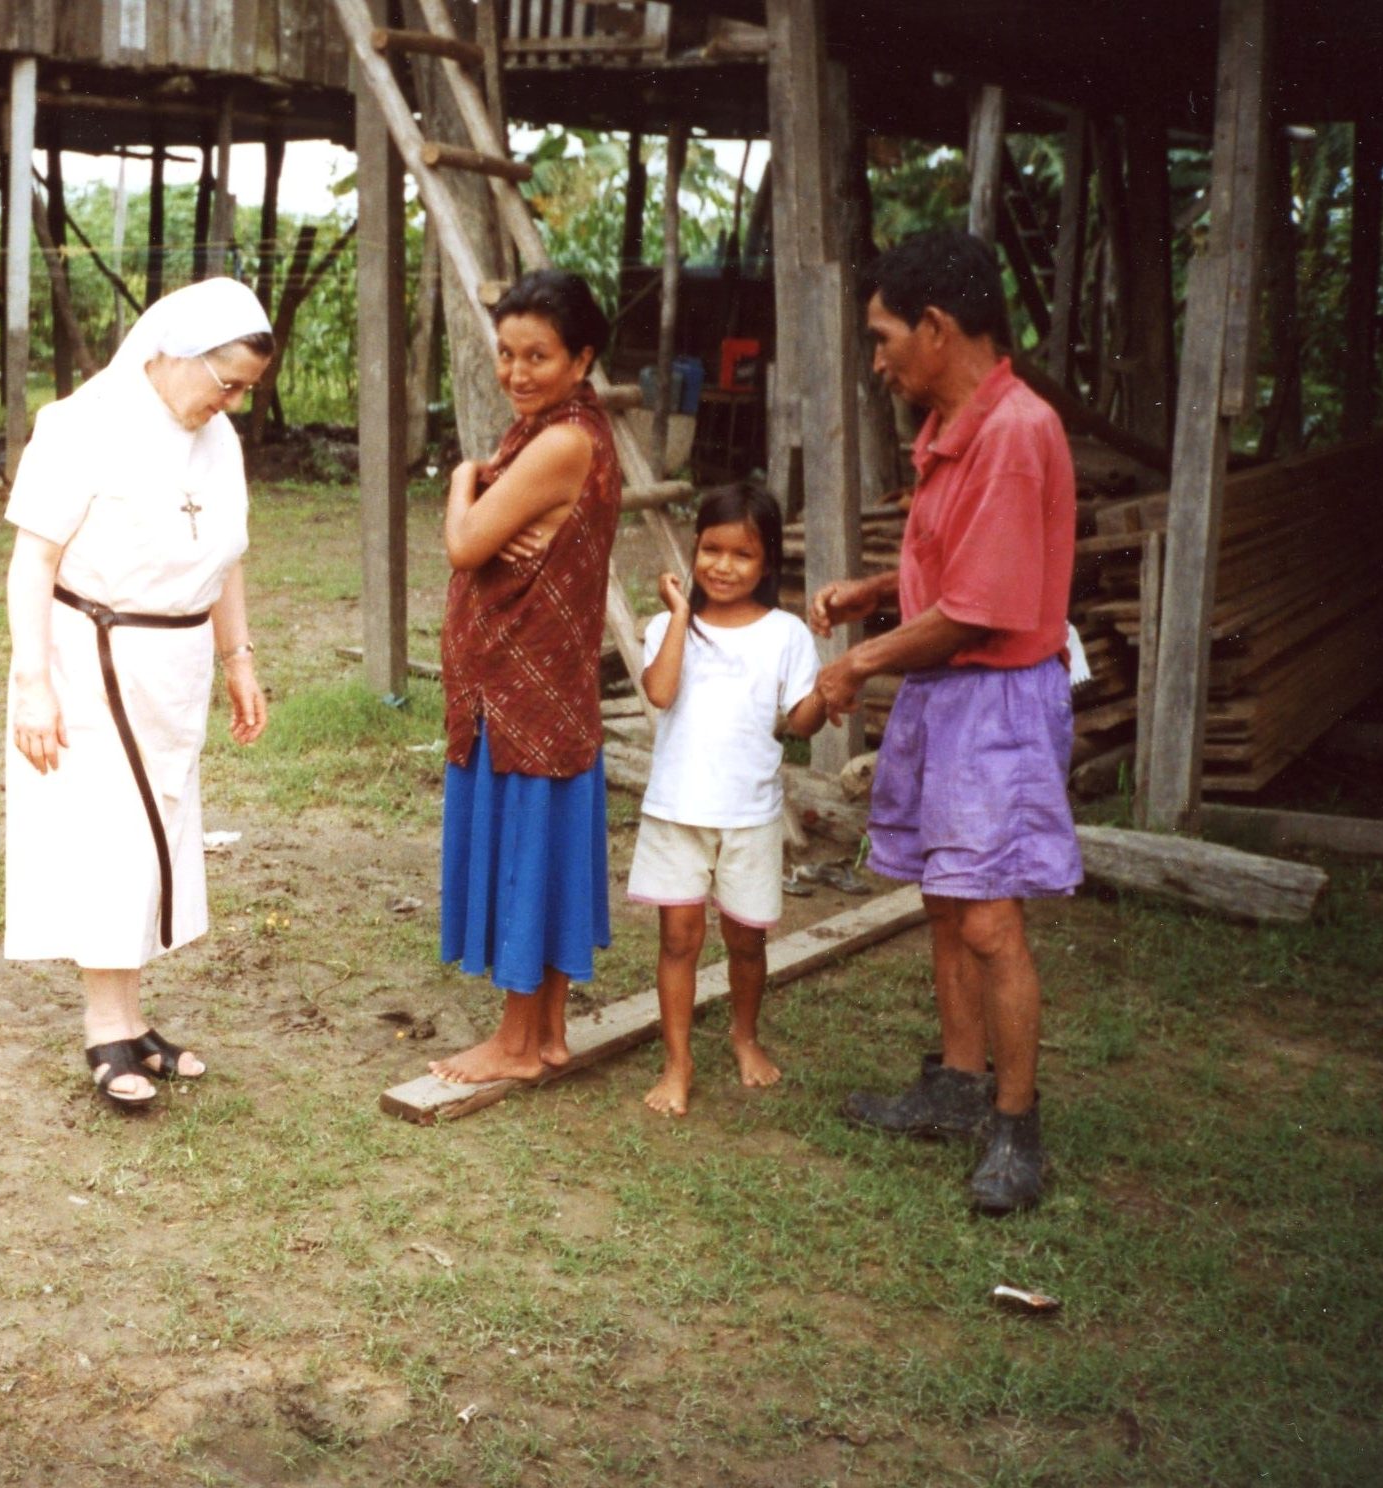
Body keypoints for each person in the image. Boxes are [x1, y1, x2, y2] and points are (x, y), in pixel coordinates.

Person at [810, 230, 1080, 1213]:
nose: (876, 359)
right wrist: (876, 591)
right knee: (939, 895)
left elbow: (978, 611)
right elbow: (954, 572)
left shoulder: (1013, 434)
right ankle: (957, 1087)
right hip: (945, 694)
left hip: (995, 703)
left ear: (933, 328)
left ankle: (1014, 1124)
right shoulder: (958, 425)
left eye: (883, 337)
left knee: (986, 915)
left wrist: (856, 663)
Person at [2, 277, 272, 1111]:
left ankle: (132, 1019)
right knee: (111, 841)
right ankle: (102, 1031)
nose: (233, 403)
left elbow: (224, 556)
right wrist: (33, 683)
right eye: (225, 382)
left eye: (246, 391)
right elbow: (33, 562)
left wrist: (239, 659)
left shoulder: (217, 438)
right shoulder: (81, 425)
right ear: (172, 354)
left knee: (159, 837)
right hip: (94, 662)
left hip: (177, 669)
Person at [429, 269, 623, 1085]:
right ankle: (544, 1031)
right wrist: (487, 493)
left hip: (523, 692)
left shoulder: (562, 442)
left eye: (538, 356)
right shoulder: (559, 434)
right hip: (540, 686)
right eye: (506, 354)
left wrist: (460, 484)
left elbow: (466, 544)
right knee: (538, 852)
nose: (516, 373)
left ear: (582, 361)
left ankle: (513, 1044)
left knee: (524, 853)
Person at [629, 484, 827, 1116]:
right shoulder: (667, 624)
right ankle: (677, 1062)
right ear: (694, 548)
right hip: (676, 812)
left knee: (746, 941)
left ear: (768, 562)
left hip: (750, 813)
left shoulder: (786, 634)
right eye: (710, 549)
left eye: (742, 555)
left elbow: (803, 722)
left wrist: (836, 688)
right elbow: (659, 692)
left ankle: (745, 1037)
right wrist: (682, 616)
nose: (722, 565)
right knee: (679, 939)